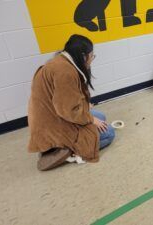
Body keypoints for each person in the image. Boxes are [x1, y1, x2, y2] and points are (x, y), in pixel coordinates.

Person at [28, 34, 115, 171]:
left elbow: (67, 99)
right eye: (92, 56)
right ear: (82, 56)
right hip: (55, 122)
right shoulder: (65, 72)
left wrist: (87, 109)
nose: (92, 59)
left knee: (101, 118)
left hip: (56, 115)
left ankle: (58, 145)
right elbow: (68, 111)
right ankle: (66, 151)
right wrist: (91, 118)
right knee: (109, 133)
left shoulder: (63, 60)